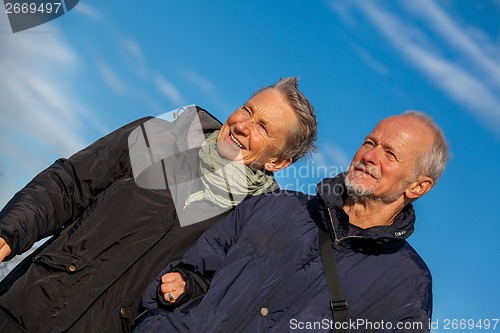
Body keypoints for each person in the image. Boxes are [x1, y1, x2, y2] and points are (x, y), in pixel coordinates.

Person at [0, 77, 318, 332]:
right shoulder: (166, 135)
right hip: (24, 306)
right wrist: (9, 231)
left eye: (263, 127)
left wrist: (189, 286)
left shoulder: (258, 221)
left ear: (278, 162)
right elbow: (72, 183)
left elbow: (224, 298)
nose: (242, 126)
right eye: (247, 110)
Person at [133, 111, 448, 332]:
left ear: (418, 186)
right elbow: (192, 272)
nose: (369, 155)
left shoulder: (407, 283)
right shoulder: (276, 206)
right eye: (370, 142)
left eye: (390, 154)